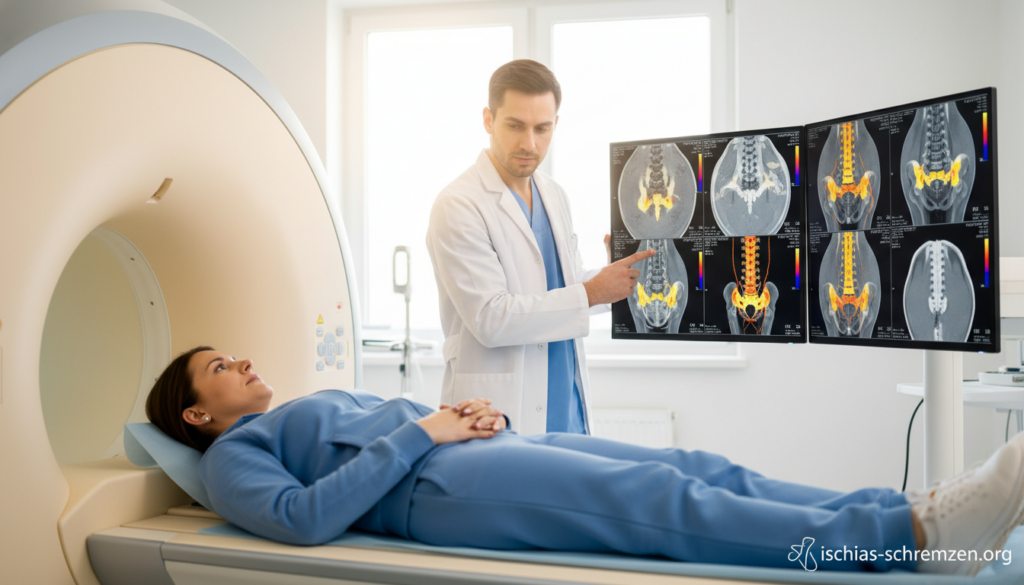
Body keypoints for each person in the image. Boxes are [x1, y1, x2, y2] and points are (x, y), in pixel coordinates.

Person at [146, 346, 1024, 576]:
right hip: (441, 489)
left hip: (474, 449)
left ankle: (906, 503)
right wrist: (426, 433)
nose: (245, 364)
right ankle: (911, 537)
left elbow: (396, 427)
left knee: (695, 464)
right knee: (666, 504)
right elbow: (303, 520)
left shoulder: (294, 405)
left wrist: (460, 413)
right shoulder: (234, 458)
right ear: (196, 412)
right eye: (221, 367)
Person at [425, 59, 655, 435]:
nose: (529, 144)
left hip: (564, 400)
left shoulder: (554, 194)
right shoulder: (458, 204)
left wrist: (614, 275)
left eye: (542, 128)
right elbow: (490, 318)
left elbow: (563, 285)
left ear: (556, 125)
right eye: (515, 126)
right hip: (497, 408)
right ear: (488, 119)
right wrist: (593, 290)